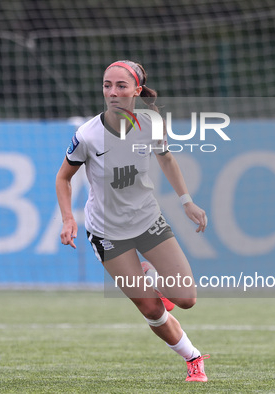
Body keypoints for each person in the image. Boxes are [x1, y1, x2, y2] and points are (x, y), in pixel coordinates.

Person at [55, 60, 209, 382]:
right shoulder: (88, 135)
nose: (112, 92)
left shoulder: (151, 123)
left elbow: (165, 158)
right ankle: (193, 358)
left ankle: (148, 272)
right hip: (108, 232)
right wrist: (69, 219)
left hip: (147, 220)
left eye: (121, 86)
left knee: (187, 299)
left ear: (137, 90)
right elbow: (63, 178)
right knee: (152, 309)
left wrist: (186, 202)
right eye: (107, 85)